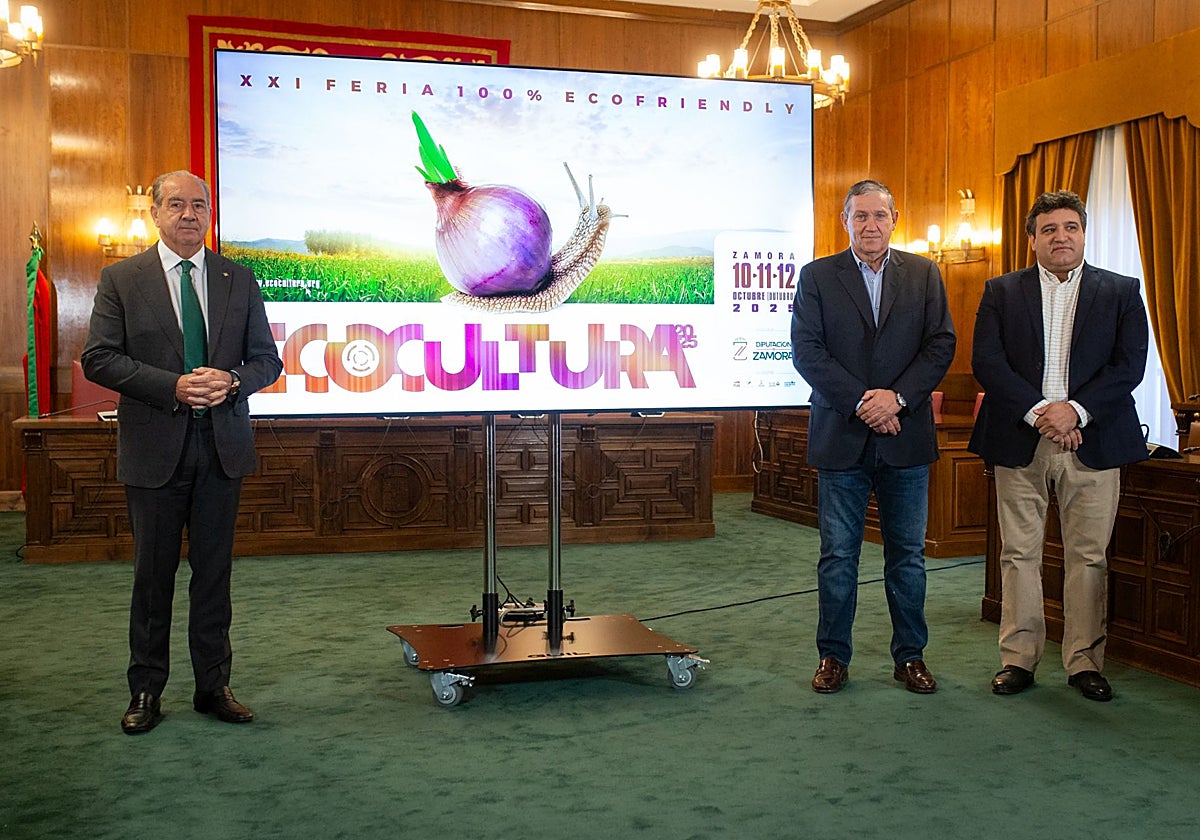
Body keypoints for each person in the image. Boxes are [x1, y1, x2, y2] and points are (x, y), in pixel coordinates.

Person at [82, 170, 283, 734]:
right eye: (177, 204)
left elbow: (268, 359)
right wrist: (171, 385)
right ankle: (145, 690)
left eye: (199, 204)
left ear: (209, 212)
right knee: (153, 576)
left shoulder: (238, 279)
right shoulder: (122, 278)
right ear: (156, 212)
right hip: (154, 448)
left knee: (213, 575)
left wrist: (234, 381)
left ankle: (213, 686)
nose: (189, 214)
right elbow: (99, 358)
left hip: (222, 447)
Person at [969, 189, 1148, 702]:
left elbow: (1128, 367)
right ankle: (1018, 659)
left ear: (1083, 233)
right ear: (1032, 240)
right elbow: (989, 362)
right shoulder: (1001, 291)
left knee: (1088, 557)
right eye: (1048, 229)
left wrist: (1077, 411)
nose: (1060, 236)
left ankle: (1084, 662)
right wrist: (1043, 413)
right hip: (1018, 438)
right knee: (1018, 554)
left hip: (1094, 440)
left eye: (1070, 227)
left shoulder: (1120, 291)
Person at [791, 180, 956, 695]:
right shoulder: (818, 276)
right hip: (842, 436)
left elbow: (940, 344)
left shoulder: (926, 273)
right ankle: (833, 657)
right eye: (860, 216)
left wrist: (898, 399)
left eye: (879, 215)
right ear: (846, 222)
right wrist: (866, 402)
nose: (870, 225)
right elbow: (808, 351)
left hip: (905, 437)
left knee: (906, 556)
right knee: (838, 556)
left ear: (894, 219)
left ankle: (910, 658)